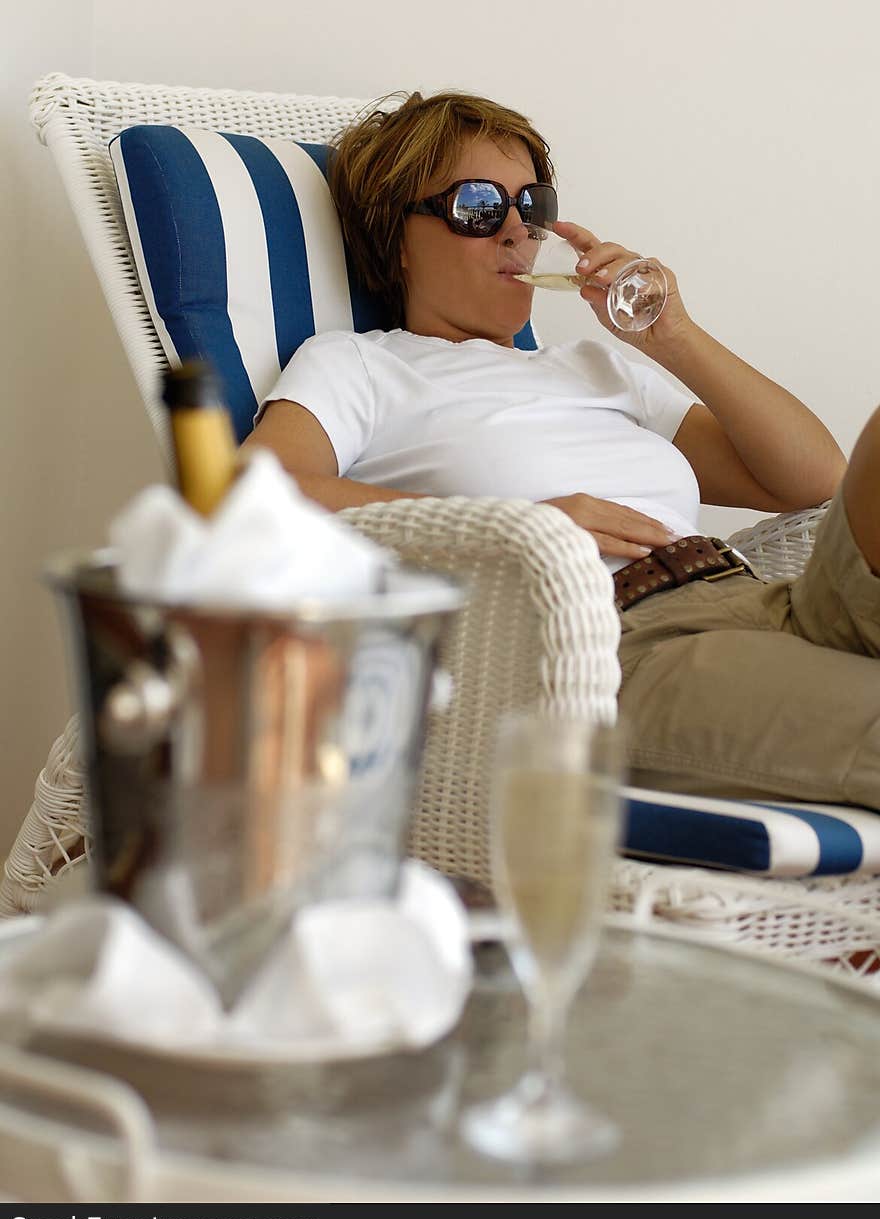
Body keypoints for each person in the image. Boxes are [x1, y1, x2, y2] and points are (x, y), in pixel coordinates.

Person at [243, 90, 880, 811]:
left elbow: (812, 478)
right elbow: (258, 490)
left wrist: (672, 336)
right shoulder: (363, 366)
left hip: (764, 599)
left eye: (531, 205)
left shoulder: (590, 365)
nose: (517, 231)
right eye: (478, 206)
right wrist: (520, 527)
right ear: (397, 239)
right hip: (616, 651)